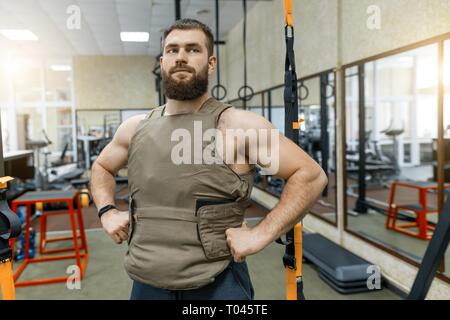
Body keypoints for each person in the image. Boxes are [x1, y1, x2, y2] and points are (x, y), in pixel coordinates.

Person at [90, 18, 328, 300]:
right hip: (146, 280)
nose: (181, 57)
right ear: (163, 61)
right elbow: (102, 167)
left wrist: (261, 234)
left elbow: (310, 175)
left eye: (192, 49)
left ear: (211, 63)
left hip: (217, 284)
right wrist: (106, 210)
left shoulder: (237, 126)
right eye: (172, 50)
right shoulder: (135, 128)